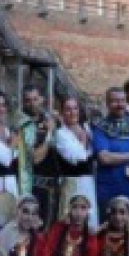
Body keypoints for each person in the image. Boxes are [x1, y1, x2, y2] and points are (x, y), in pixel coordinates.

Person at [92, 87, 129, 220]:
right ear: (107, 103)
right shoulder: (100, 127)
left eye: (122, 100)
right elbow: (104, 158)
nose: (120, 104)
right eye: (115, 101)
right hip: (108, 190)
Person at [54, 96, 98, 228]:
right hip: (72, 184)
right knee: (71, 222)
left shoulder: (87, 128)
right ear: (62, 113)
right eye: (68, 109)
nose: (73, 112)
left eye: (75, 108)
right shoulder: (61, 134)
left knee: (89, 221)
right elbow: (78, 160)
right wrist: (84, 140)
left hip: (88, 183)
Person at [19, 84, 59, 227]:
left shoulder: (50, 119)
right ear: (23, 102)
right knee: (35, 230)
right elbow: (35, 158)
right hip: (33, 186)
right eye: (28, 100)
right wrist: (49, 133)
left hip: (54, 186)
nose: (32, 104)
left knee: (52, 230)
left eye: (35, 99)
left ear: (42, 100)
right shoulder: (22, 125)